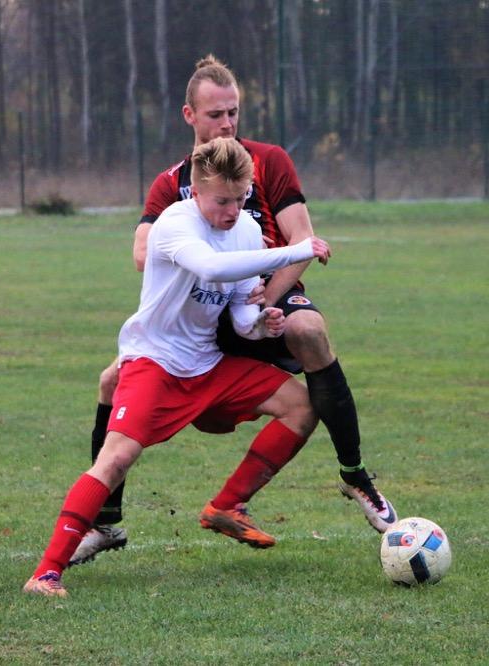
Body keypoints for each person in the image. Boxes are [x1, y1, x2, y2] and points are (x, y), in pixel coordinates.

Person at [70, 55, 397, 567]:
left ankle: (355, 476)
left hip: (265, 291)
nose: (227, 123)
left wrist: (260, 300)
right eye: (216, 114)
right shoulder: (172, 184)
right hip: (204, 308)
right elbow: (141, 254)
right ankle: (104, 523)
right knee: (112, 380)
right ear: (189, 116)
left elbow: (302, 239)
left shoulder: (269, 160)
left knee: (309, 328)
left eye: (234, 113)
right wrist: (196, 254)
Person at [23, 138, 333, 597]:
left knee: (303, 407)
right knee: (117, 458)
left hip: (206, 363)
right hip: (154, 360)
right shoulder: (174, 223)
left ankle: (227, 504)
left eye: (241, 198)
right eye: (221, 201)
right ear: (196, 191)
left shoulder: (247, 229)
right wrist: (295, 250)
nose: (232, 210)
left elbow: (239, 311)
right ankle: (46, 574)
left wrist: (259, 325)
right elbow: (211, 268)